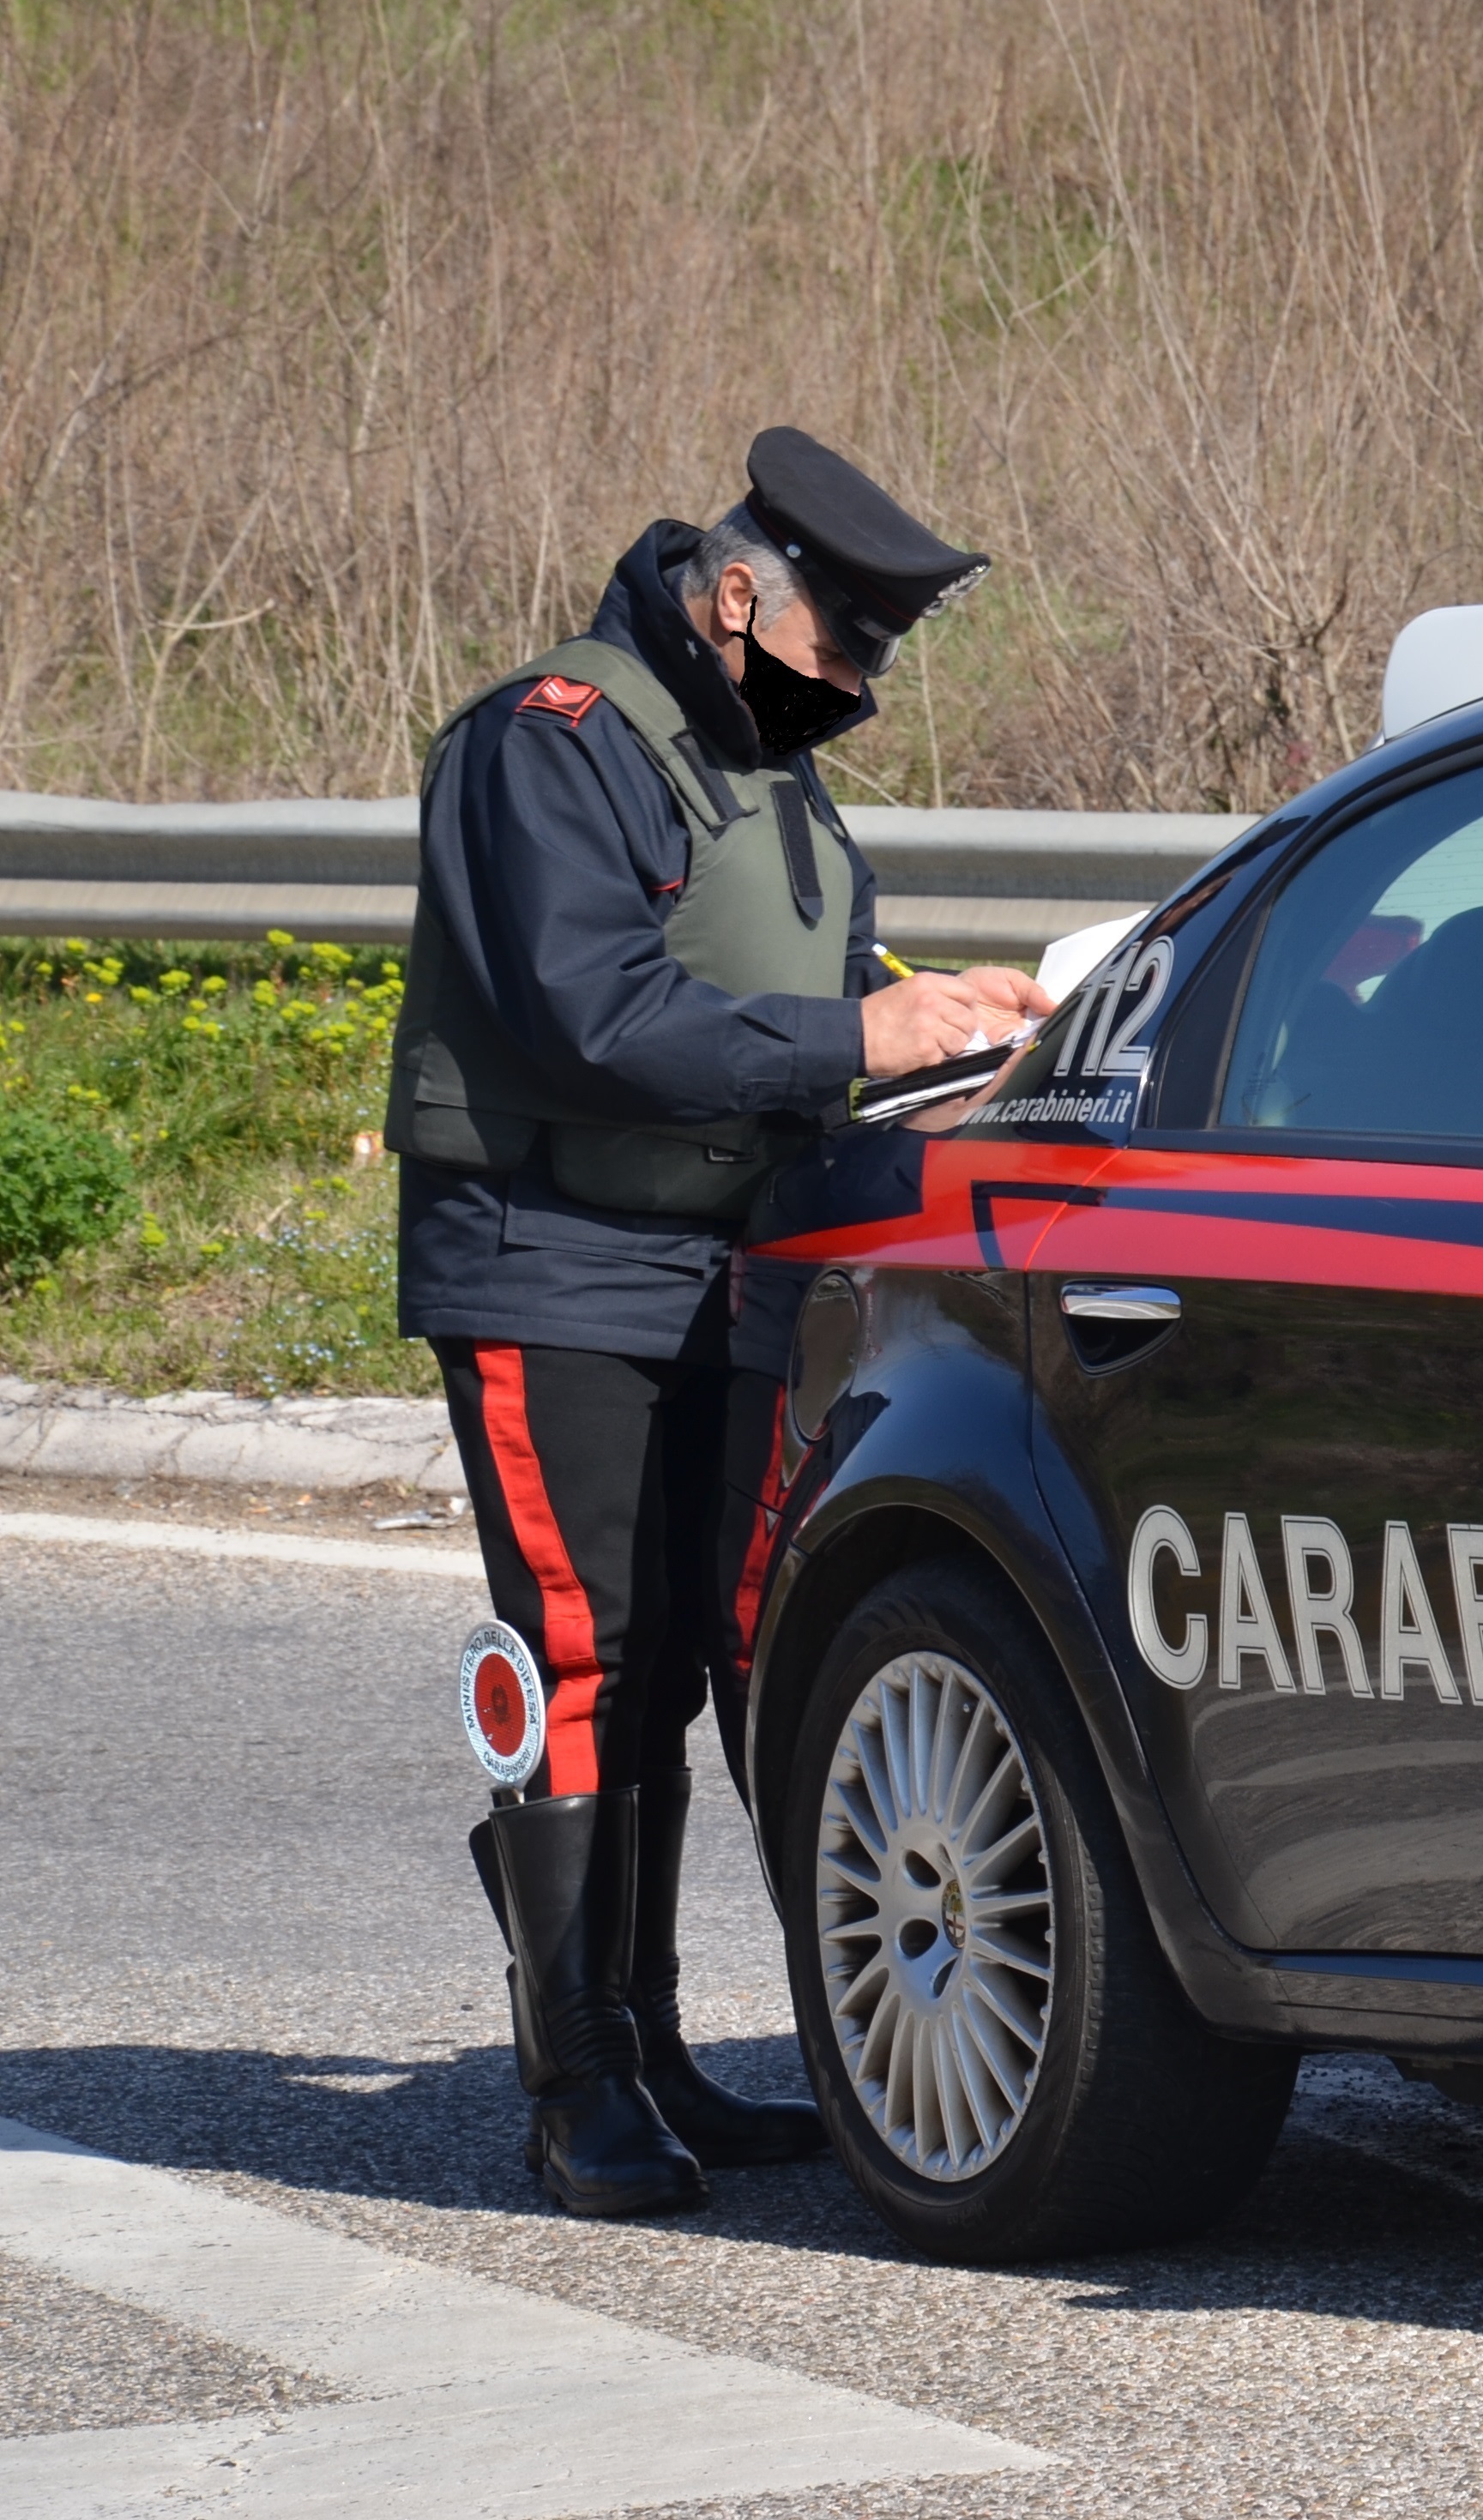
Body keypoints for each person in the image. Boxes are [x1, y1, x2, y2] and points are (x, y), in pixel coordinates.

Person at [389, 429, 1052, 2218]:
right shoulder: (552, 740)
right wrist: (859, 1044)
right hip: (552, 1254)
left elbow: (795, 985)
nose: (855, 691)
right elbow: (589, 1017)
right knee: (585, 1649)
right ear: (738, 592)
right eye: (843, 651)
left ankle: (660, 2048)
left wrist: (943, 1027)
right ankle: (573, 2080)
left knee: (690, 1654)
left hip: (722, 1258)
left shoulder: (763, 763)